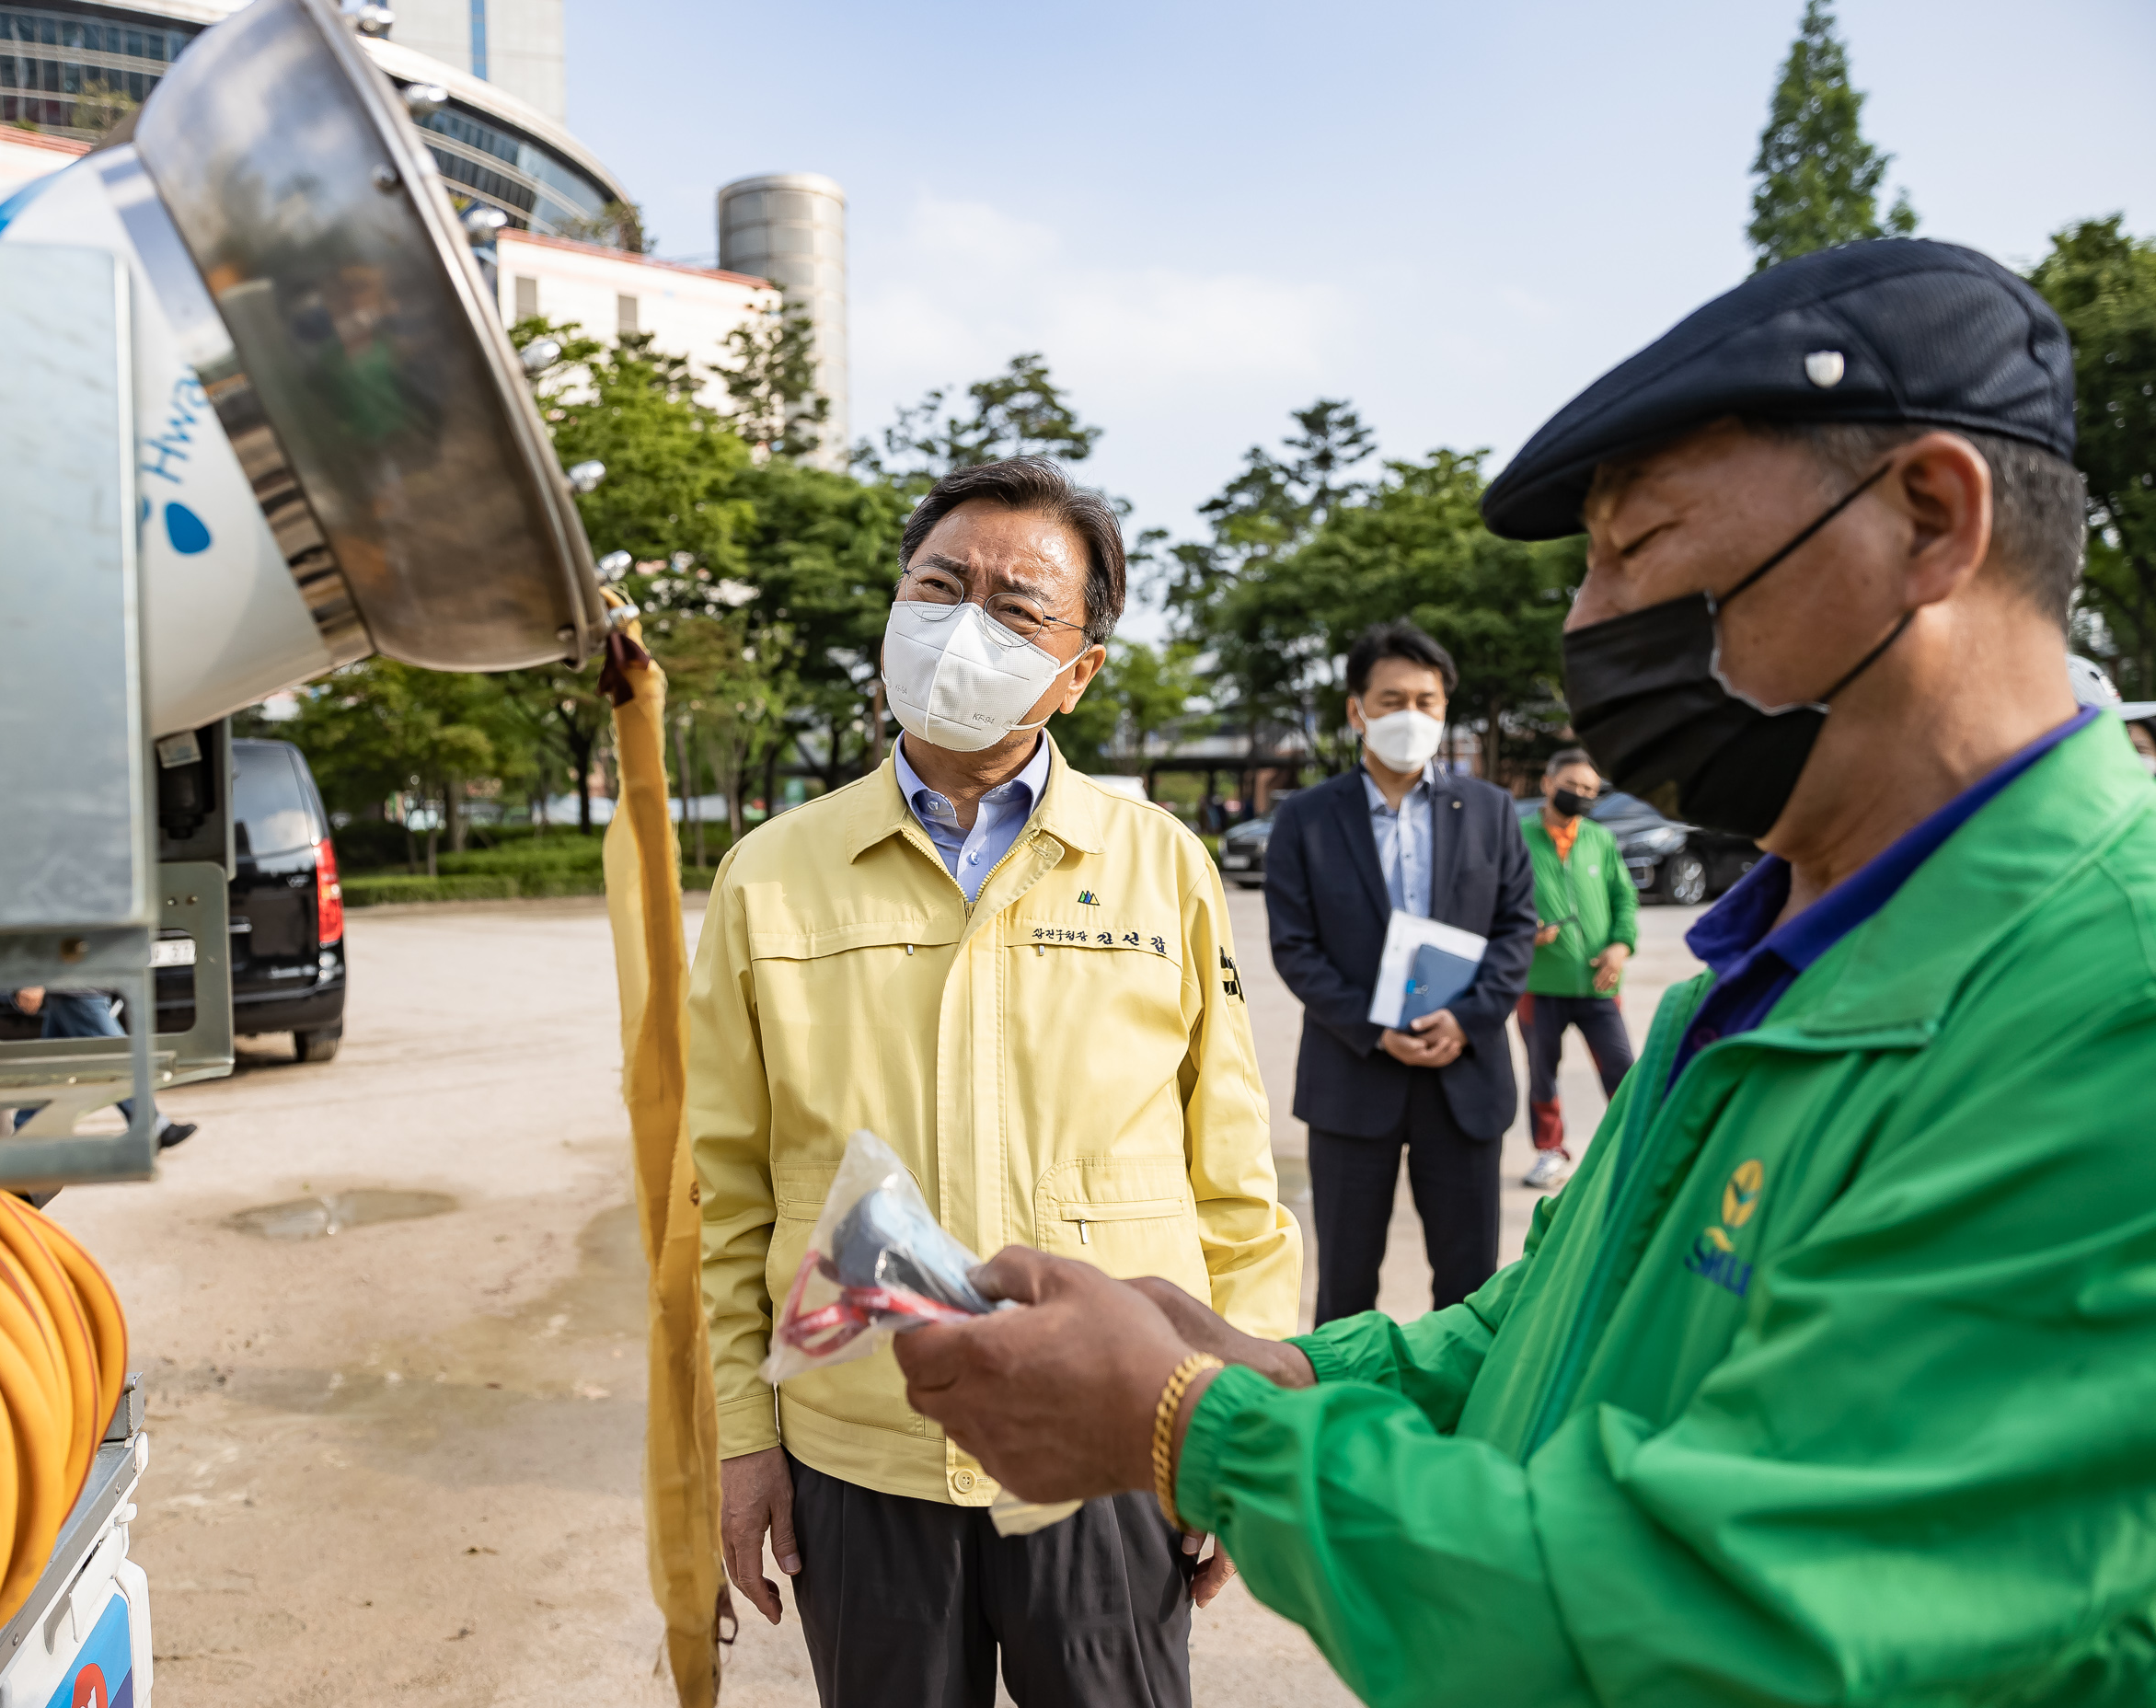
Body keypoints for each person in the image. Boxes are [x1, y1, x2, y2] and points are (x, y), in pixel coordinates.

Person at [886, 238, 2156, 1703]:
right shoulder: (1758, 980)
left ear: (1930, 520)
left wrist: (1191, 1428)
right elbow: (1549, 1323)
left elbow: (1692, 1628)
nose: (1586, 622)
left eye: (1641, 546)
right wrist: (1279, 1370)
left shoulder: (2103, 1013)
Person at [691, 456, 1301, 1708]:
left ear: (1076, 670)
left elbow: (1233, 1184)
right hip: (862, 1449)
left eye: (1017, 606)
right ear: (892, 617)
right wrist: (741, 1440)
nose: (964, 624)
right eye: (938, 585)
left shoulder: (1161, 870)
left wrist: (1252, 1439)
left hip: (1112, 1436)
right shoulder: (772, 874)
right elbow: (723, 1194)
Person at [1261, 621, 1535, 1324]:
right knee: (1346, 1290)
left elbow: (1514, 930)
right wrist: (1375, 1028)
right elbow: (1295, 949)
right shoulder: (1306, 818)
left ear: (1445, 711)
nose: (1410, 715)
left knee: (1470, 1292)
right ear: (1357, 711)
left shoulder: (1491, 813)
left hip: (1463, 1076)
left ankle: (1459, 1427)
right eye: (1391, 700)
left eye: (1427, 700)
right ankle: (1344, 1426)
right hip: (1353, 1078)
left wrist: (1467, 1018)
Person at [1515, 747, 1636, 1188]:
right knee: (1542, 1071)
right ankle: (1550, 1151)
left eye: (1590, 789)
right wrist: (1522, 930)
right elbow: (1497, 899)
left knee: (1623, 1068)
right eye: (1572, 786)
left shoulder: (1600, 840)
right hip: (1539, 982)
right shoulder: (1518, 837)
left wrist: (1621, 947)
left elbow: (1624, 898)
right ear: (1548, 785)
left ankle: (1630, 1147)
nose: (1582, 795)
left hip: (1598, 982)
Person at [7, 986, 198, 1148]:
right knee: (117, 1059)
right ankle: (151, 1122)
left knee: (51, 1068)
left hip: (78, 984)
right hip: (77, 985)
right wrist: (33, 981)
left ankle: (25, 1131)